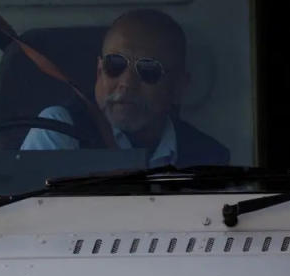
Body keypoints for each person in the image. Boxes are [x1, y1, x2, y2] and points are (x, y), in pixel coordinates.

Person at [21, 9, 229, 167]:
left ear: (178, 87)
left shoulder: (209, 158)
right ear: (99, 72)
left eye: (148, 70)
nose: (126, 82)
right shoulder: (61, 130)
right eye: (115, 65)